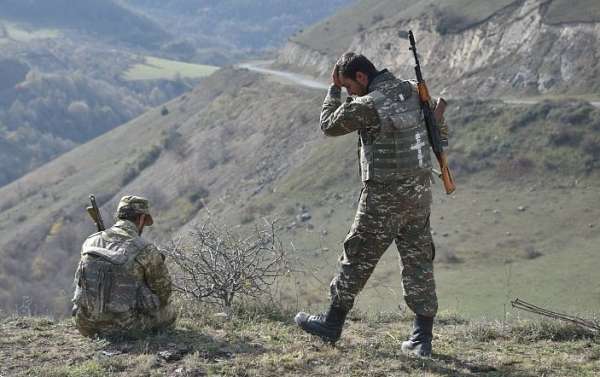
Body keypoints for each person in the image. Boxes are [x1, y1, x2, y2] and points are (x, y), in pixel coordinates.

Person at [295, 52, 442, 357]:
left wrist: (333, 90)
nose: (351, 93)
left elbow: (329, 125)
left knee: (357, 257)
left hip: (383, 199)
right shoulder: (412, 91)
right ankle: (422, 338)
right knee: (418, 263)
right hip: (418, 196)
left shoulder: (369, 104)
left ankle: (331, 325)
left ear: (361, 77)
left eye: (350, 86)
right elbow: (439, 132)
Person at [72, 195, 176, 338]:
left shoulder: (90, 241)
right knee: (169, 312)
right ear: (141, 219)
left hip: (85, 325)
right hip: (126, 329)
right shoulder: (145, 249)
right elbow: (164, 292)